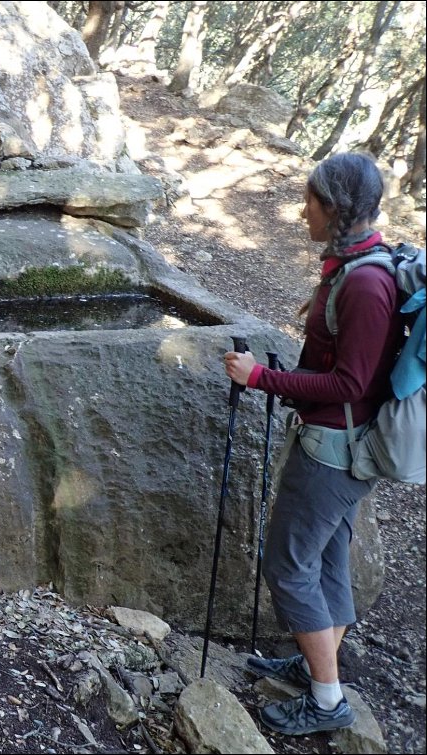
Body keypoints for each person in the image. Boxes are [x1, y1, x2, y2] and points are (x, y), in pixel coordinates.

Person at [223, 152, 403, 736]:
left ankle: (327, 700)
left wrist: (260, 378)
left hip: (334, 450)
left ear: (336, 208)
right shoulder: (353, 266)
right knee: (327, 559)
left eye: (311, 201)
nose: (303, 211)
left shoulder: (367, 283)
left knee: (288, 565)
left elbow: (350, 382)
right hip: (344, 442)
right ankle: (315, 666)